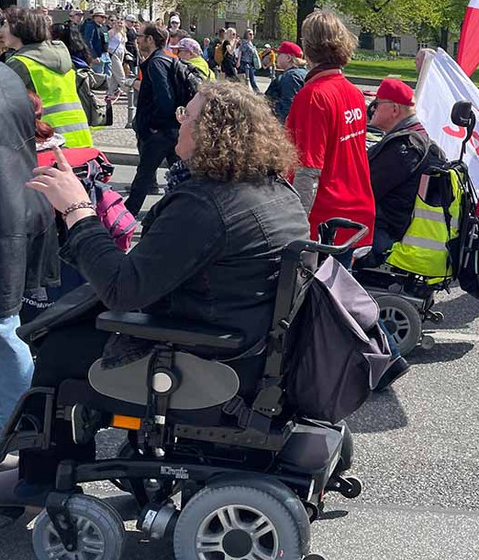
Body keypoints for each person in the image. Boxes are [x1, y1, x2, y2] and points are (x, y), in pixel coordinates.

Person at [17, 80, 309, 492]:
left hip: (215, 359)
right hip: (250, 349)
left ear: (211, 133)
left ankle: (40, 482)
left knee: (60, 349)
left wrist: (78, 210)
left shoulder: (206, 205)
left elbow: (123, 289)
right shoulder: (275, 189)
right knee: (77, 327)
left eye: (186, 115)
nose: (180, 122)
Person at [0, 55, 56, 436]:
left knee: (1, 332)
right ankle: (21, 434)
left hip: (1, 221)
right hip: (15, 213)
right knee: (3, 330)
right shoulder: (6, 74)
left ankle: (21, 437)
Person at [286, 10, 375, 250]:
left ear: (307, 46)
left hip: (325, 220)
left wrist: (293, 228)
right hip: (356, 211)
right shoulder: (354, 93)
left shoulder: (313, 97)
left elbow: (308, 170)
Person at [362, 78, 444, 265]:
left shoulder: (403, 147)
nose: (372, 109)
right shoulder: (419, 137)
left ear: (394, 110)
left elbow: (365, 191)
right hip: (397, 228)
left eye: (377, 104)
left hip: (385, 234)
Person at [1, 7, 93, 148]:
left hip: (49, 141)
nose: (2, 30)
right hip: (80, 137)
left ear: (18, 29)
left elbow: (6, 108)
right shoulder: (62, 56)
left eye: (6, 25)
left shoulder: (20, 63)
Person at [127, 24, 180, 216]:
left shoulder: (156, 62)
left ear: (150, 39)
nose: (137, 40)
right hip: (172, 129)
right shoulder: (166, 58)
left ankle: (125, 218)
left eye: (140, 37)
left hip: (161, 132)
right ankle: (182, 212)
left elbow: (165, 98)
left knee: (143, 178)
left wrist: (154, 126)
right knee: (181, 177)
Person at [265, 41, 307, 122]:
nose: (277, 56)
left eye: (279, 54)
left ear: (288, 58)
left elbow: (287, 108)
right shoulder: (304, 73)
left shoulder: (291, 77)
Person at [105, 16, 130, 101]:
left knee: (114, 75)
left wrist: (127, 54)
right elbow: (106, 42)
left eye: (121, 23)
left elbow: (123, 45)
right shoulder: (111, 32)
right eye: (118, 23)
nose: (119, 24)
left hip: (121, 53)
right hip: (113, 53)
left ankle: (111, 92)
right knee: (120, 74)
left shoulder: (123, 33)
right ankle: (128, 91)